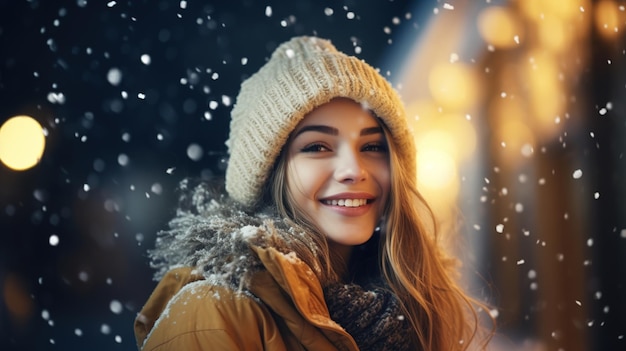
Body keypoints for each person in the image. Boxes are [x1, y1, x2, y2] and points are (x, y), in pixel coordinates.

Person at [134, 36, 494, 350]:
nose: (354, 170)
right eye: (318, 147)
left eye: (371, 147)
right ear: (269, 174)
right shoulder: (214, 313)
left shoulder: (417, 306)